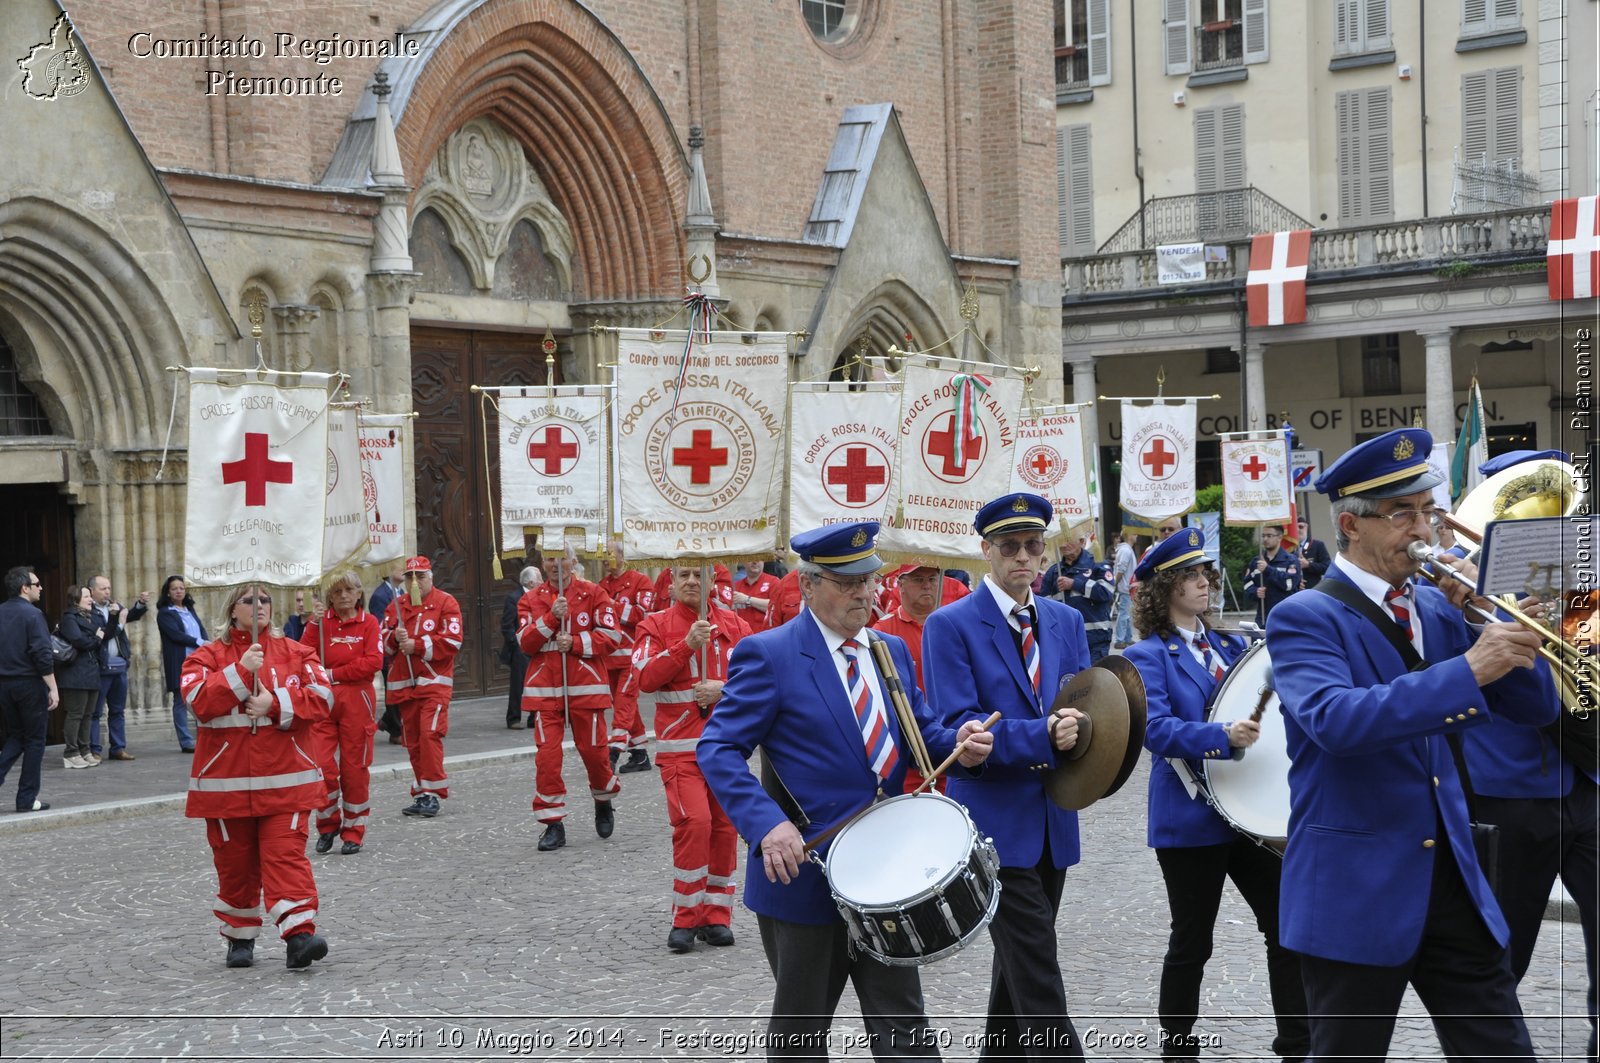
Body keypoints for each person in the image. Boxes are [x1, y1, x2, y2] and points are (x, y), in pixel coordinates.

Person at [1266, 427, 1558, 1058]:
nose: (1423, 529)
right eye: (1402, 514)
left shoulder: (1438, 607)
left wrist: (1495, 616)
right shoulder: (1305, 615)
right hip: (1358, 886)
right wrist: (1469, 669)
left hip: (1451, 875)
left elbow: (1536, 709)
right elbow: (1334, 721)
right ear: (1350, 524)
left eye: (1428, 511)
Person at [698, 521, 994, 1057]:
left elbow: (920, 731)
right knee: (801, 1039)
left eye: (869, 579)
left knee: (906, 1032)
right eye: (847, 582)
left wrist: (961, 742)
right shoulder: (768, 655)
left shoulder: (887, 651)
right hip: (805, 874)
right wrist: (768, 826)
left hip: (886, 877)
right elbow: (717, 749)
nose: (864, 592)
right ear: (809, 585)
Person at [1122, 529, 1309, 1060]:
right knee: (1193, 940)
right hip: (1189, 814)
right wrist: (1219, 737)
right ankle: (1178, 1046)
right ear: (1165, 589)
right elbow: (1154, 730)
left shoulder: (1230, 644)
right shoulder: (1146, 655)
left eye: (1204, 573)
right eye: (1191, 576)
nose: (1205, 582)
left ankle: (1298, 1040)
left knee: (1283, 925)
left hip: (1245, 811)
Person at [923, 493, 1091, 1060]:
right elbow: (955, 724)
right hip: (994, 823)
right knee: (1038, 970)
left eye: (1033, 545)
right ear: (986, 552)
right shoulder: (951, 625)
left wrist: (1086, 732)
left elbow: (1081, 702)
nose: (1023, 556)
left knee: (1017, 967)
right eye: (1010, 546)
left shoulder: (1066, 620)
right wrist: (1045, 734)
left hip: (1053, 817)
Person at [1458, 449, 1597, 1062]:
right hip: (1506, 789)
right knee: (1501, 951)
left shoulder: (1582, 580)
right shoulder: (1463, 584)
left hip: (1587, 782)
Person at [179, 583, 331, 969]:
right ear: (233, 610)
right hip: (226, 789)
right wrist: (239, 671)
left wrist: (275, 703)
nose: (260, 605)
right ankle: (240, 937)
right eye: (250, 600)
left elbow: (323, 698)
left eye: (265, 599)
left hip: (288, 783)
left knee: (286, 859)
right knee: (236, 866)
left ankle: (299, 936)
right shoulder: (205, 657)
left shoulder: (298, 652)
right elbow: (199, 703)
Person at [632, 564, 751, 951]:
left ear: (713, 582)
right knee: (694, 824)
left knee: (723, 830)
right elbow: (645, 679)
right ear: (670, 583)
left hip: (727, 748)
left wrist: (724, 689)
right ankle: (685, 918)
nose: (691, 581)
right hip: (680, 749)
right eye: (683, 574)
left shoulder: (735, 624)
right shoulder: (654, 625)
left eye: (698, 575)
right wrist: (686, 645)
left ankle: (716, 915)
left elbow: (760, 681)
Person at [519, 548, 622, 851]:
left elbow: (612, 637)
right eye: (549, 559)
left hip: (585, 688)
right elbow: (525, 642)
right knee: (547, 760)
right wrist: (552, 618)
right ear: (542, 564)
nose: (556, 565)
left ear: (574, 562)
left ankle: (602, 797)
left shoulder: (594, 593)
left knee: (595, 755)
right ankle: (553, 824)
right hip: (545, 692)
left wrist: (576, 642)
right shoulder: (531, 599)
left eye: (561, 558)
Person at [302, 571, 383, 855]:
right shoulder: (321, 624)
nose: (344, 596)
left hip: (357, 701)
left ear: (359, 593)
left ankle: (354, 829)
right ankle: (327, 824)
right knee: (321, 767)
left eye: (349, 590)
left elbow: (373, 662)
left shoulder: (369, 623)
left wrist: (333, 673)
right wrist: (313, 622)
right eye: (337, 592)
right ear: (329, 597)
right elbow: (305, 654)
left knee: (354, 769)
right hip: (323, 702)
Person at [380, 556, 464, 818]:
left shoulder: (445, 602)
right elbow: (383, 642)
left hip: (434, 683)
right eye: (409, 576)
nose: (414, 581)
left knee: (430, 735)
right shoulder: (396, 605)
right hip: (404, 685)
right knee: (413, 741)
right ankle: (422, 791)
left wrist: (416, 645)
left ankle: (432, 793)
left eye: (420, 576)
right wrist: (393, 637)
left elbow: (452, 641)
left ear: (431, 577)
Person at [0, 566, 57, 811]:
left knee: (17, 736)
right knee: (35, 740)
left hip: (5, 684)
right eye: (36, 584)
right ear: (25, 588)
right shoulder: (33, 615)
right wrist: (53, 687)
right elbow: (42, 654)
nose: (41, 588)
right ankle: (26, 799)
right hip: (28, 684)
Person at [598, 540, 656, 772]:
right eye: (602, 555)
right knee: (626, 705)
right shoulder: (602, 584)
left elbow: (642, 614)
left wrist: (612, 606)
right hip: (610, 656)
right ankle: (640, 753)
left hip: (632, 656)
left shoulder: (641, 581)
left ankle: (613, 751)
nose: (604, 559)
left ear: (623, 556)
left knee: (624, 703)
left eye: (609, 554)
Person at [88, 574, 148, 761]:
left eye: (108, 588)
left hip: (119, 665)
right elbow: (107, 633)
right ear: (92, 591)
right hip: (101, 666)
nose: (107, 592)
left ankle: (118, 748)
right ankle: (94, 749)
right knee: (96, 711)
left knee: (117, 710)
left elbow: (130, 615)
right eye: (103, 588)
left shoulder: (113, 606)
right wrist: (118, 620)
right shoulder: (89, 611)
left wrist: (140, 604)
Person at [156, 575, 208, 753]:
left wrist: (207, 644)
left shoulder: (189, 610)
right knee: (180, 700)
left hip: (198, 660)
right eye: (174, 588)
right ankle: (186, 741)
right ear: (168, 593)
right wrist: (200, 642)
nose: (179, 591)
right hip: (180, 662)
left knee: (200, 698)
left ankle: (204, 736)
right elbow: (176, 635)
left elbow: (201, 629)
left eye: (181, 588)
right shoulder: (165, 613)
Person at [1042, 536, 1114, 663]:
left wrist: (1075, 584)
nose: (1064, 545)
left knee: (1093, 681)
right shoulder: (1053, 572)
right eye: (1061, 541)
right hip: (1065, 640)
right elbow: (1043, 608)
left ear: (1082, 541)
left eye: (1069, 540)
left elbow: (1106, 592)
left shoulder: (1098, 565)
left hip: (1095, 641)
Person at [57, 585, 103, 769]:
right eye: (86, 596)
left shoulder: (92, 617)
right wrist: (97, 639)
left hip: (91, 672)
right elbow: (78, 641)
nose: (91, 599)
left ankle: (85, 750)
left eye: (90, 596)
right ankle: (71, 752)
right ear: (76, 599)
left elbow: (104, 632)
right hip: (75, 673)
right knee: (75, 714)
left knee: (88, 715)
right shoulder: (70, 618)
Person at [501, 564, 542, 728]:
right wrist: (517, 644)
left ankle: (534, 717)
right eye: (539, 578)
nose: (542, 581)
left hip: (536, 645)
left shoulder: (540, 596)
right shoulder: (514, 597)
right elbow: (507, 625)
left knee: (537, 683)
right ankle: (514, 718)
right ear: (531, 582)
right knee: (518, 684)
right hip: (520, 648)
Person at [368, 562, 405, 744]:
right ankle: (396, 731)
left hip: (401, 652)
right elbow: (379, 624)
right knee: (392, 691)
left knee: (400, 690)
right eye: (400, 567)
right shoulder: (379, 595)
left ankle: (387, 721)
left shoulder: (402, 592)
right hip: (388, 652)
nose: (404, 571)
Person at [1240, 526, 1300, 628]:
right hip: (1263, 617)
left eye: (1269, 536)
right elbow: (1247, 584)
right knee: (1257, 643)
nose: (1265, 539)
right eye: (1263, 536)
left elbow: (1289, 584)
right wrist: (1255, 591)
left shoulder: (1290, 560)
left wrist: (1268, 569)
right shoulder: (1256, 561)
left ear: (1280, 537)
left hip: (1285, 616)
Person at [1294, 518, 1331, 589]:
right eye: (1295, 528)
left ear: (1306, 527)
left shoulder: (1317, 545)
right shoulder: (1289, 549)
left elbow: (1327, 567)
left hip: (1313, 589)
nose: (1297, 530)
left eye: (1300, 527)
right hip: (1294, 592)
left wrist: (1308, 565)